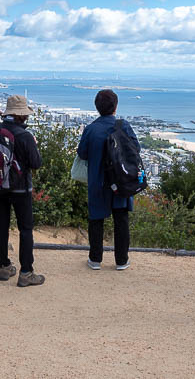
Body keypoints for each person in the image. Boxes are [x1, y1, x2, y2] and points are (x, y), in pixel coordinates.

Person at [77, 89, 139, 271]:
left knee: (96, 219)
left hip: (98, 181)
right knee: (121, 219)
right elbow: (136, 149)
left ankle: (95, 259)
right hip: (121, 179)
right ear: (115, 106)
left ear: (97, 107)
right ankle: (121, 260)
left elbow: (82, 153)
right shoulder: (123, 126)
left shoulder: (91, 129)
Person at [0, 95, 45, 287]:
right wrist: (34, 146)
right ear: (22, 115)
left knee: (1, 225)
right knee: (25, 229)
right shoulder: (25, 136)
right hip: (20, 188)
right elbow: (36, 163)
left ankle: (4, 266)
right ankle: (26, 272)